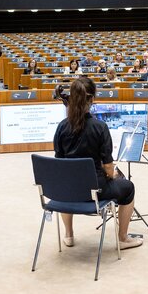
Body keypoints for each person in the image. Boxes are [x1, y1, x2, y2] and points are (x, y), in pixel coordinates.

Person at [53, 77, 142, 250]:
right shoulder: (100, 127)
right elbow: (108, 168)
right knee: (128, 187)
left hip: (68, 191)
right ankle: (123, 238)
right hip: (95, 192)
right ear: (92, 99)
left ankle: (69, 235)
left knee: (68, 184)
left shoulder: (62, 127)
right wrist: (113, 174)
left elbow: (60, 165)